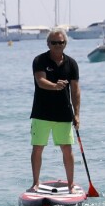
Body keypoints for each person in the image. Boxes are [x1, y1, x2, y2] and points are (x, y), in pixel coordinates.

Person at [30, 28, 80, 193]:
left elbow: (75, 90)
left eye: (61, 42)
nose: (58, 45)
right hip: (41, 113)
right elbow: (40, 81)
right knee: (38, 148)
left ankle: (71, 184)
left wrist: (77, 114)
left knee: (67, 148)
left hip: (64, 113)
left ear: (65, 43)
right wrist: (55, 86)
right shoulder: (39, 60)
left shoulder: (71, 63)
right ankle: (36, 183)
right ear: (48, 44)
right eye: (54, 43)